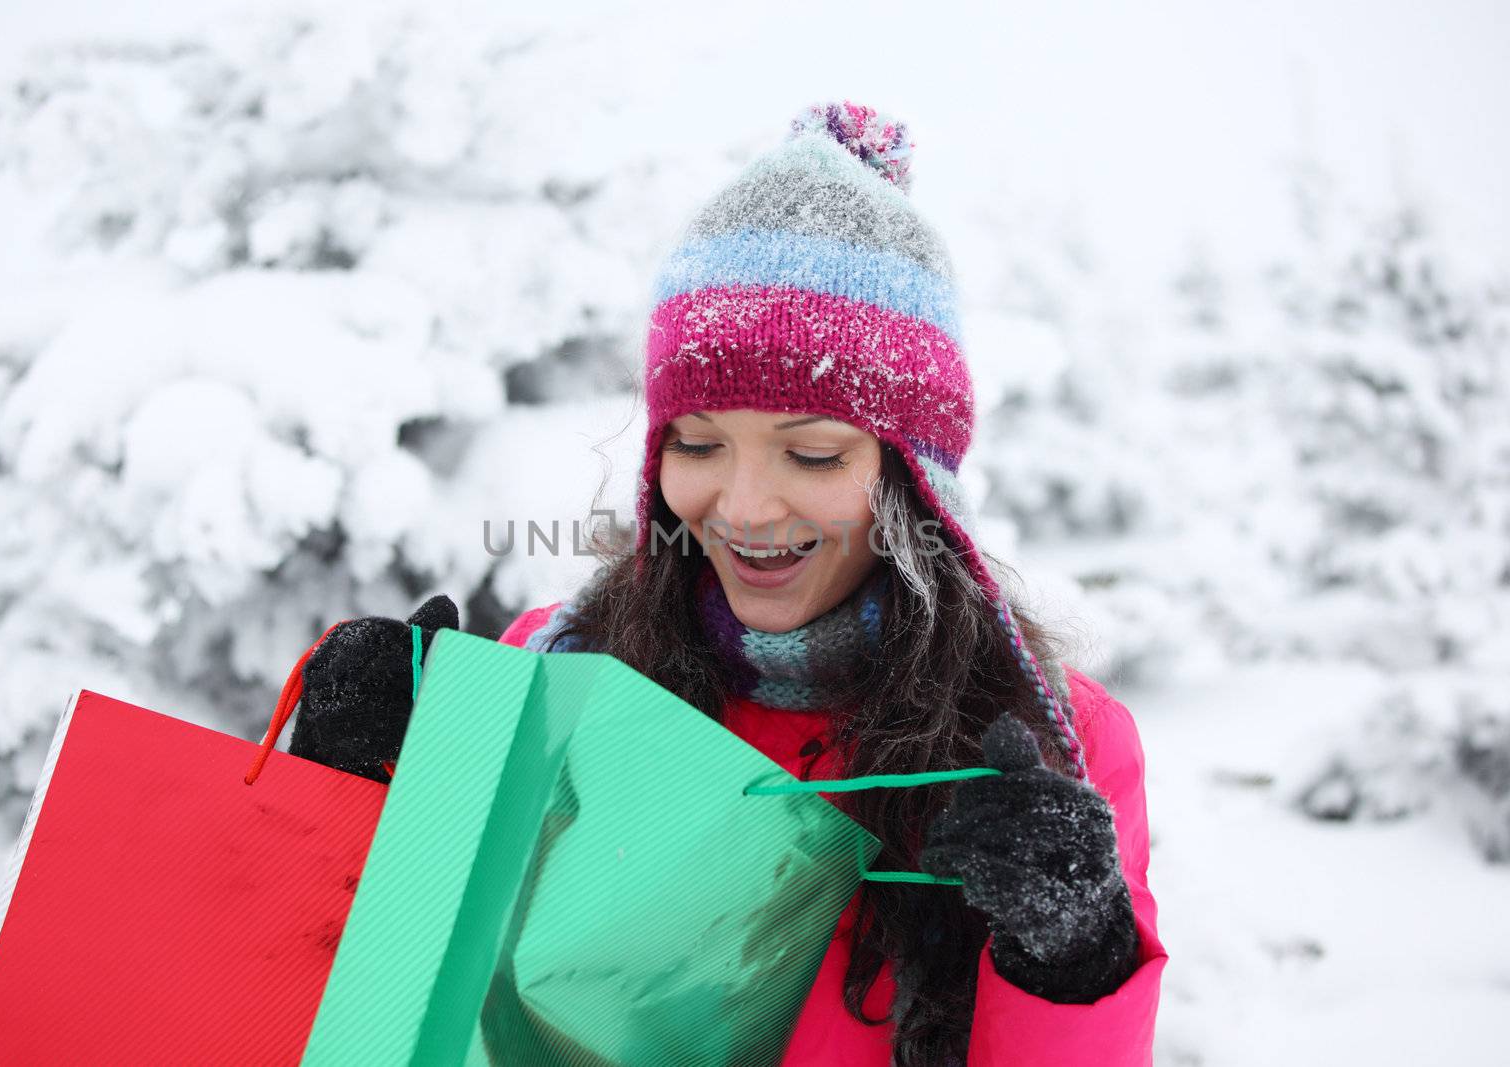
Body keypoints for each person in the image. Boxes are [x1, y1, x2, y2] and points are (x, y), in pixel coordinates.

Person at [288, 100, 1167, 1067]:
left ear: (915, 480)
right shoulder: (560, 672)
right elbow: (400, 1001)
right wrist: (344, 796)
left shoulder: (1050, 746)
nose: (744, 508)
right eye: (699, 443)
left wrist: (1074, 957)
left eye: (815, 455)